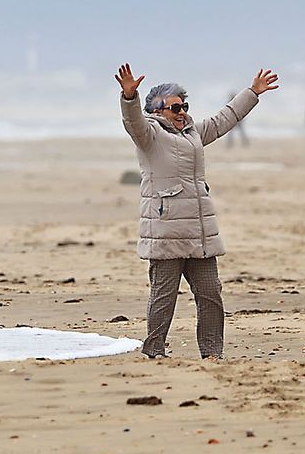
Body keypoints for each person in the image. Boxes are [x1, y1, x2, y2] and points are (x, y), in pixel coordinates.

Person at [116, 63, 279, 358]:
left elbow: (224, 119)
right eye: (174, 107)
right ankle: (154, 350)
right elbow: (133, 122)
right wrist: (129, 97)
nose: (181, 112)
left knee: (211, 295)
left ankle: (212, 353)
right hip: (165, 232)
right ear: (157, 111)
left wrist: (252, 92)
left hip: (199, 234)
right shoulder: (149, 134)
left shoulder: (193, 134)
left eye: (184, 106)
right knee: (163, 298)